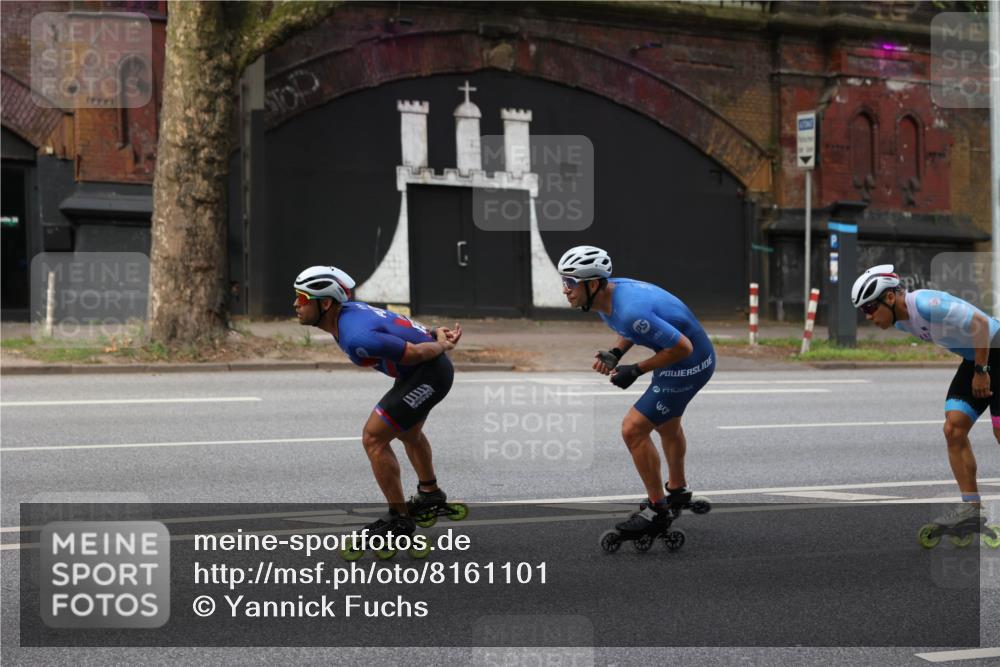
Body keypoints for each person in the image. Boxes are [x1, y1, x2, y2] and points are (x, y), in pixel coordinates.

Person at [293, 265, 462, 539]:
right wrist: (432, 331)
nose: (295, 305)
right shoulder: (349, 313)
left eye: (301, 299)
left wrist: (441, 344)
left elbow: (416, 353)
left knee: (374, 438)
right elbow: (397, 324)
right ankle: (430, 493)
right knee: (408, 432)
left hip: (428, 372)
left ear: (325, 303)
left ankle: (399, 519)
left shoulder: (357, 335)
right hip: (420, 372)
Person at [558, 245, 716, 535]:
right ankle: (677, 490)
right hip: (679, 357)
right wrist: (617, 353)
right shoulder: (607, 298)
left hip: (688, 362)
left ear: (592, 284)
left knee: (633, 429)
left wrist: (636, 370)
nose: (565, 289)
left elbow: (682, 347)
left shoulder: (630, 309)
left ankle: (658, 511)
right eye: (563, 281)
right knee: (667, 428)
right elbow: (634, 329)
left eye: (570, 282)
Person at [852, 264, 999, 529]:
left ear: (888, 298)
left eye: (869, 308)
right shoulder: (903, 321)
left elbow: (979, 324)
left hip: (992, 350)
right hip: (977, 358)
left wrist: (981, 371)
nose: (869, 316)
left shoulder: (927, 304)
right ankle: (971, 508)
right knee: (954, 428)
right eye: (864, 311)